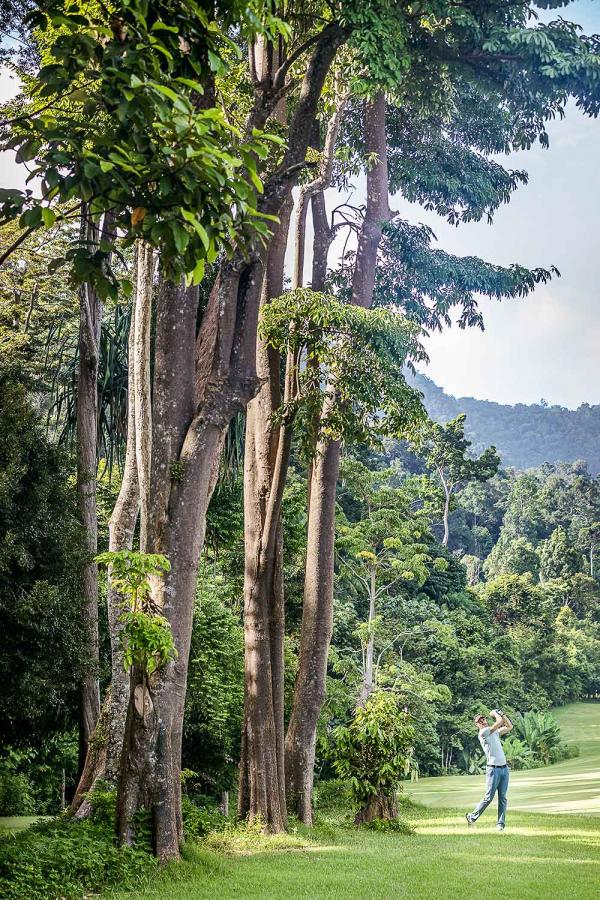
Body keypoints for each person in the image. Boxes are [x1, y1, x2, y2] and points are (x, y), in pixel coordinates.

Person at [466, 709, 513, 831]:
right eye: (480, 721)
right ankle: (471, 817)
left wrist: (503, 714)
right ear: (477, 725)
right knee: (488, 798)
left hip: (504, 769)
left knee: (503, 798)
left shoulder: (494, 732)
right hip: (493, 770)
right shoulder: (483, 733)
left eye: (483, 719)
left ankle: (500, 824)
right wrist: (496, 713)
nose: (483, 721)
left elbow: (509, 726)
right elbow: (499, 722)